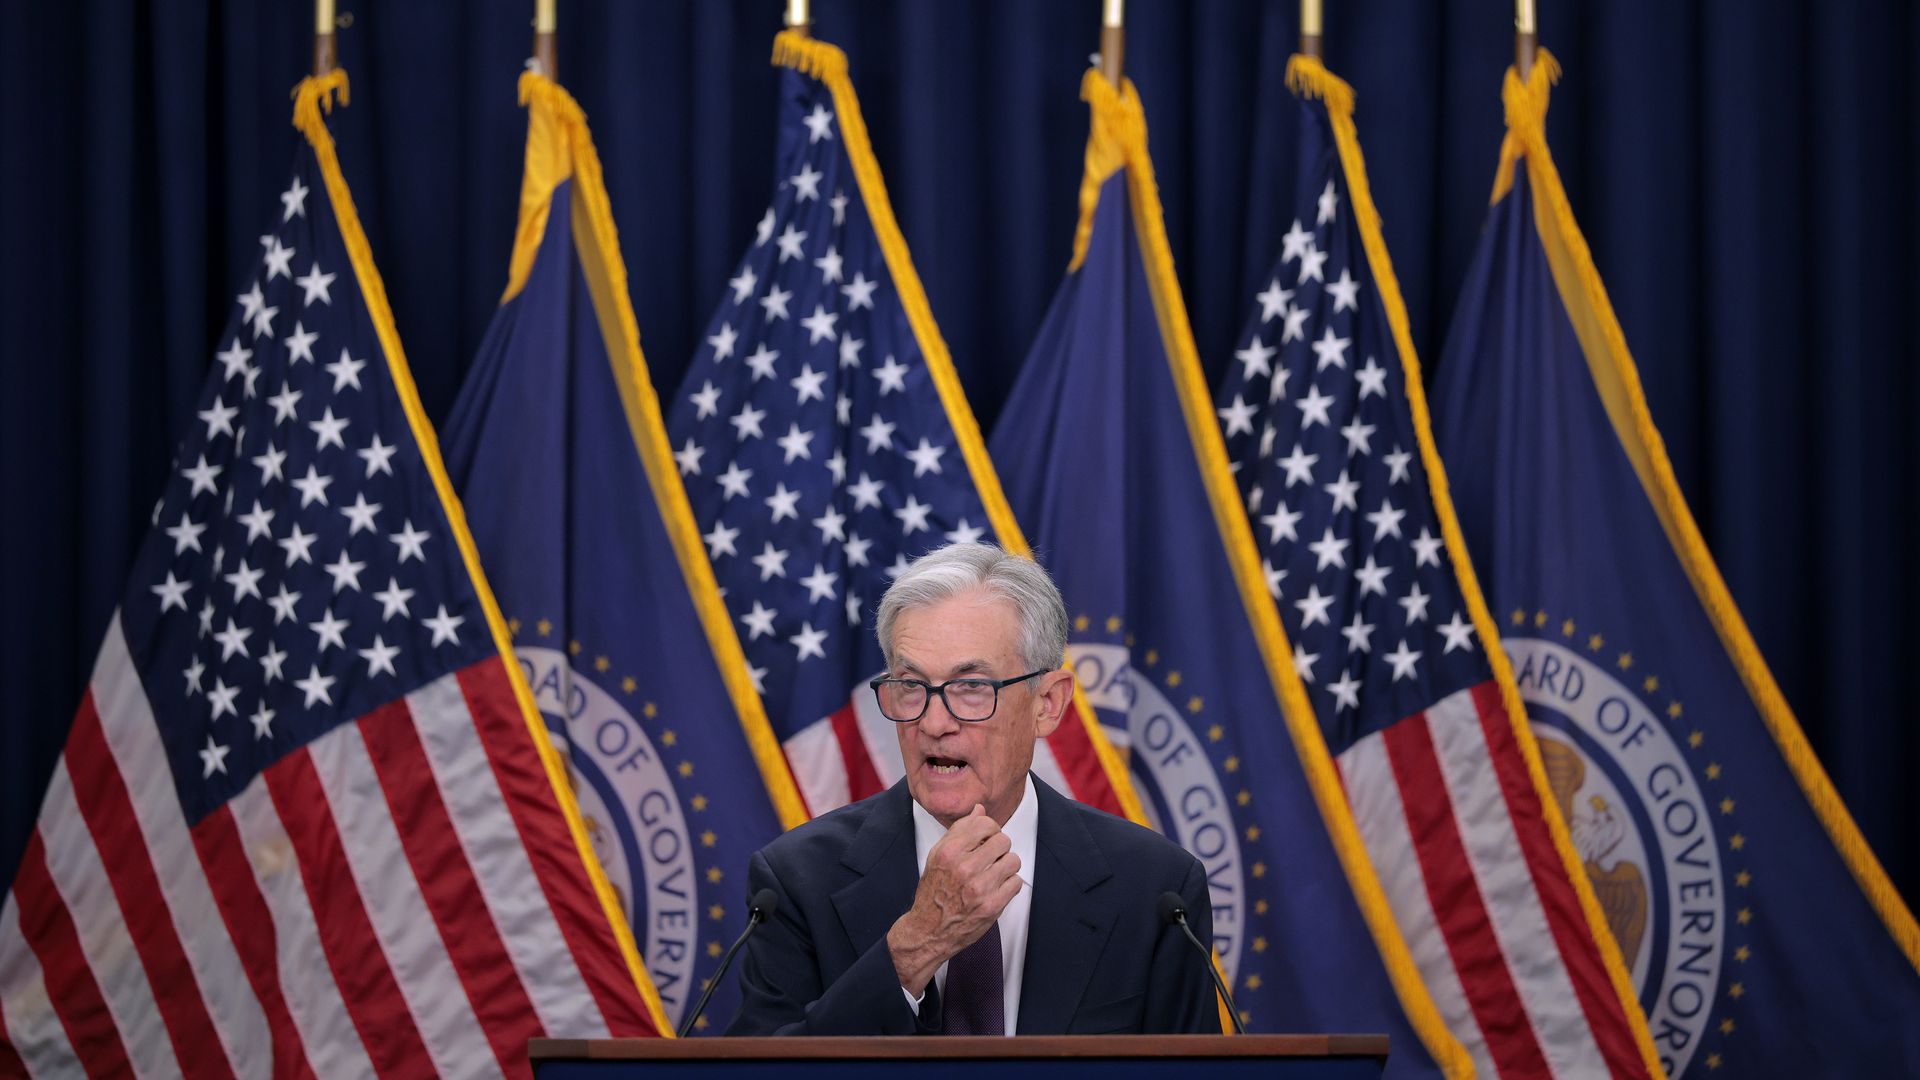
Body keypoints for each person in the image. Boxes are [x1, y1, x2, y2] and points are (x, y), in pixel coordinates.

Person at [727, 542, 1218, 1036]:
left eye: (972, 687)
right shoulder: (795, 881)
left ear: (1047, 703)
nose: (934, 722)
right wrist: (912, 950)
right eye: (912, 684)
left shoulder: (1157, 891)